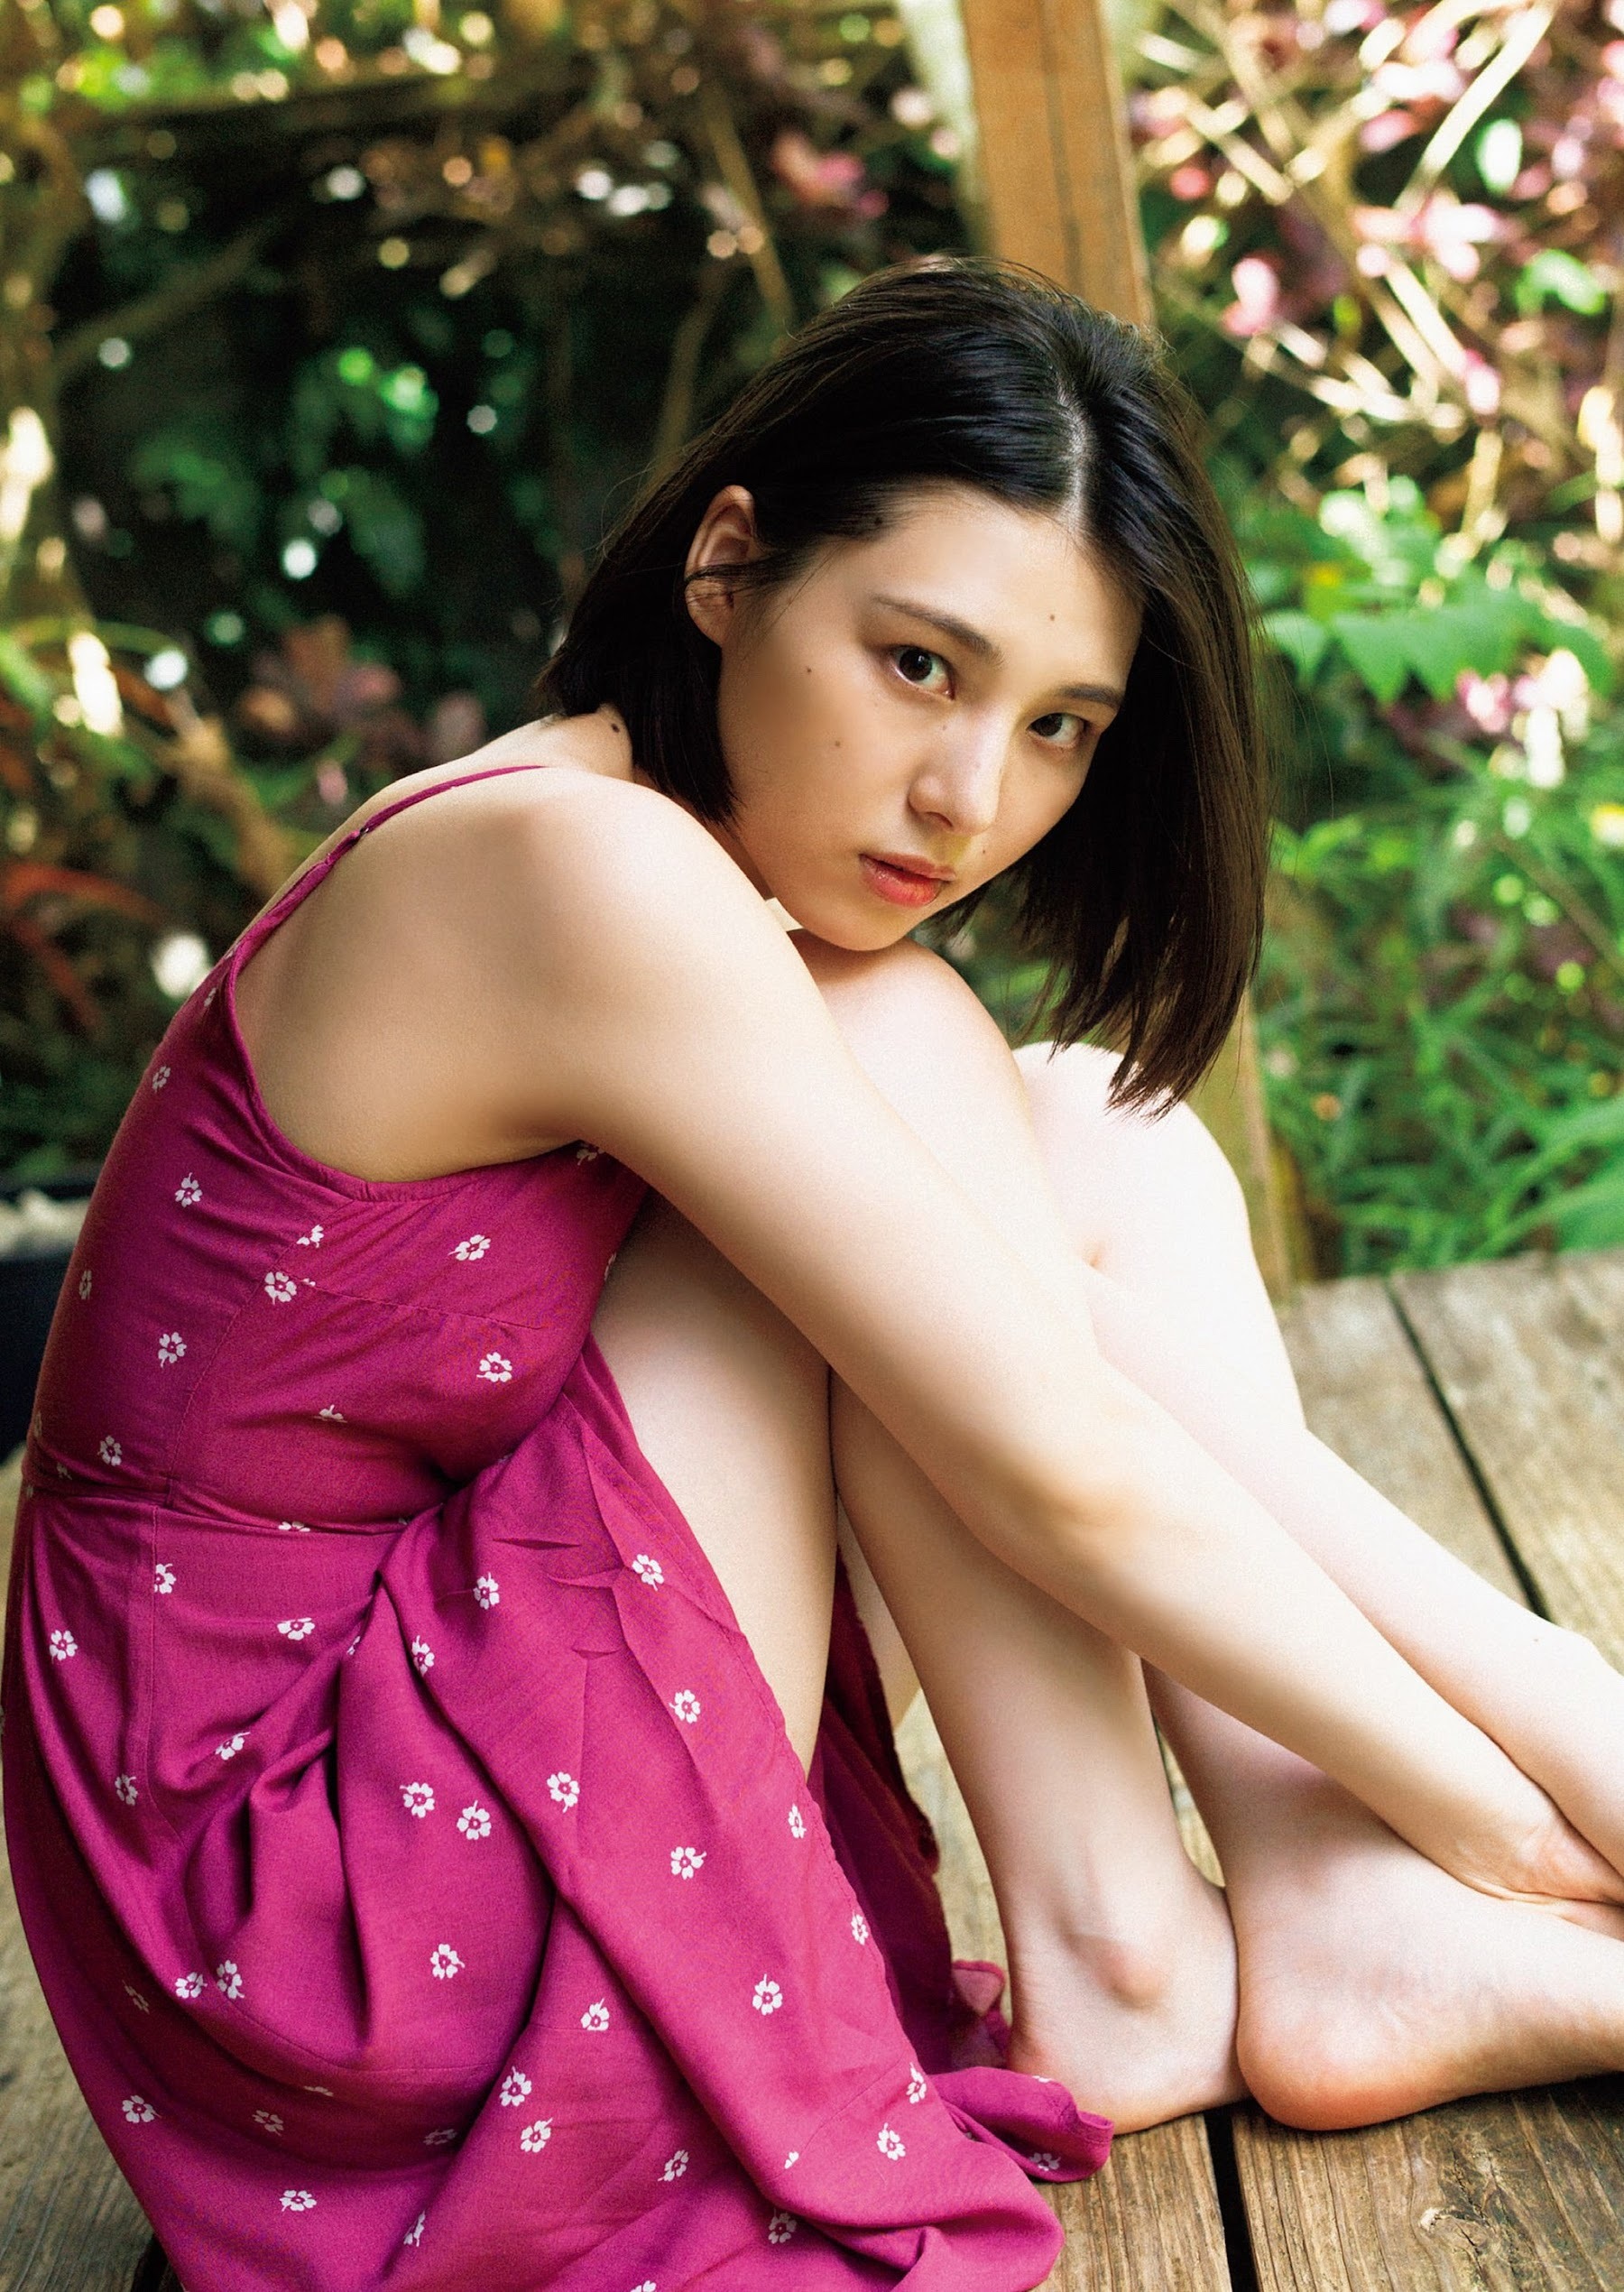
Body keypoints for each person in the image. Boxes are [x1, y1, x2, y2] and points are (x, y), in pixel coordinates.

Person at [8, 254, 1624, 2292]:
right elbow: (1065, 1471)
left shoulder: (641, 856)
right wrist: (1521, 1821)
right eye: (920, 664)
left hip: (398, 1740)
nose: (973, 797)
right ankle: (1165, 1932)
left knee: (1092, 1130)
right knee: (907, 1066)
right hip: (304, 1903)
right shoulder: (574, 867)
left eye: (1059, 726)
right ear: (728, 565)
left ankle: (1305, 1896)